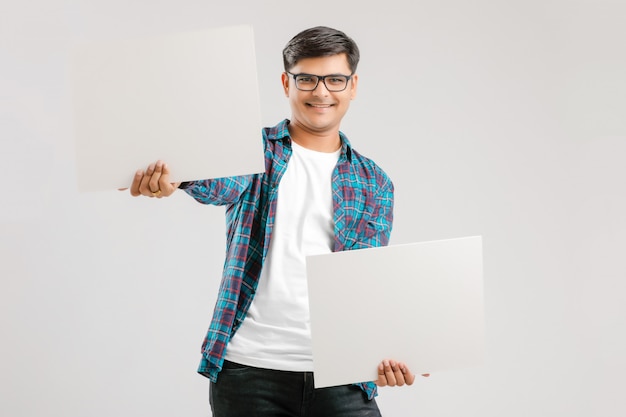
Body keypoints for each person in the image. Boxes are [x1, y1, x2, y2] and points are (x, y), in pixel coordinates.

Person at [127, 26, 427, 417]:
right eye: (307, 79)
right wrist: (178, 175)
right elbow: (217, 182)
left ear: (353, 87)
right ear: (287, 82)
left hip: (340, 377)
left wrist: (391, 351)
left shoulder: (375, 181)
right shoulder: (251, 152)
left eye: (335, 79)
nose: (321, 92)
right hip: (249, 374)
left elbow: (368, 280)